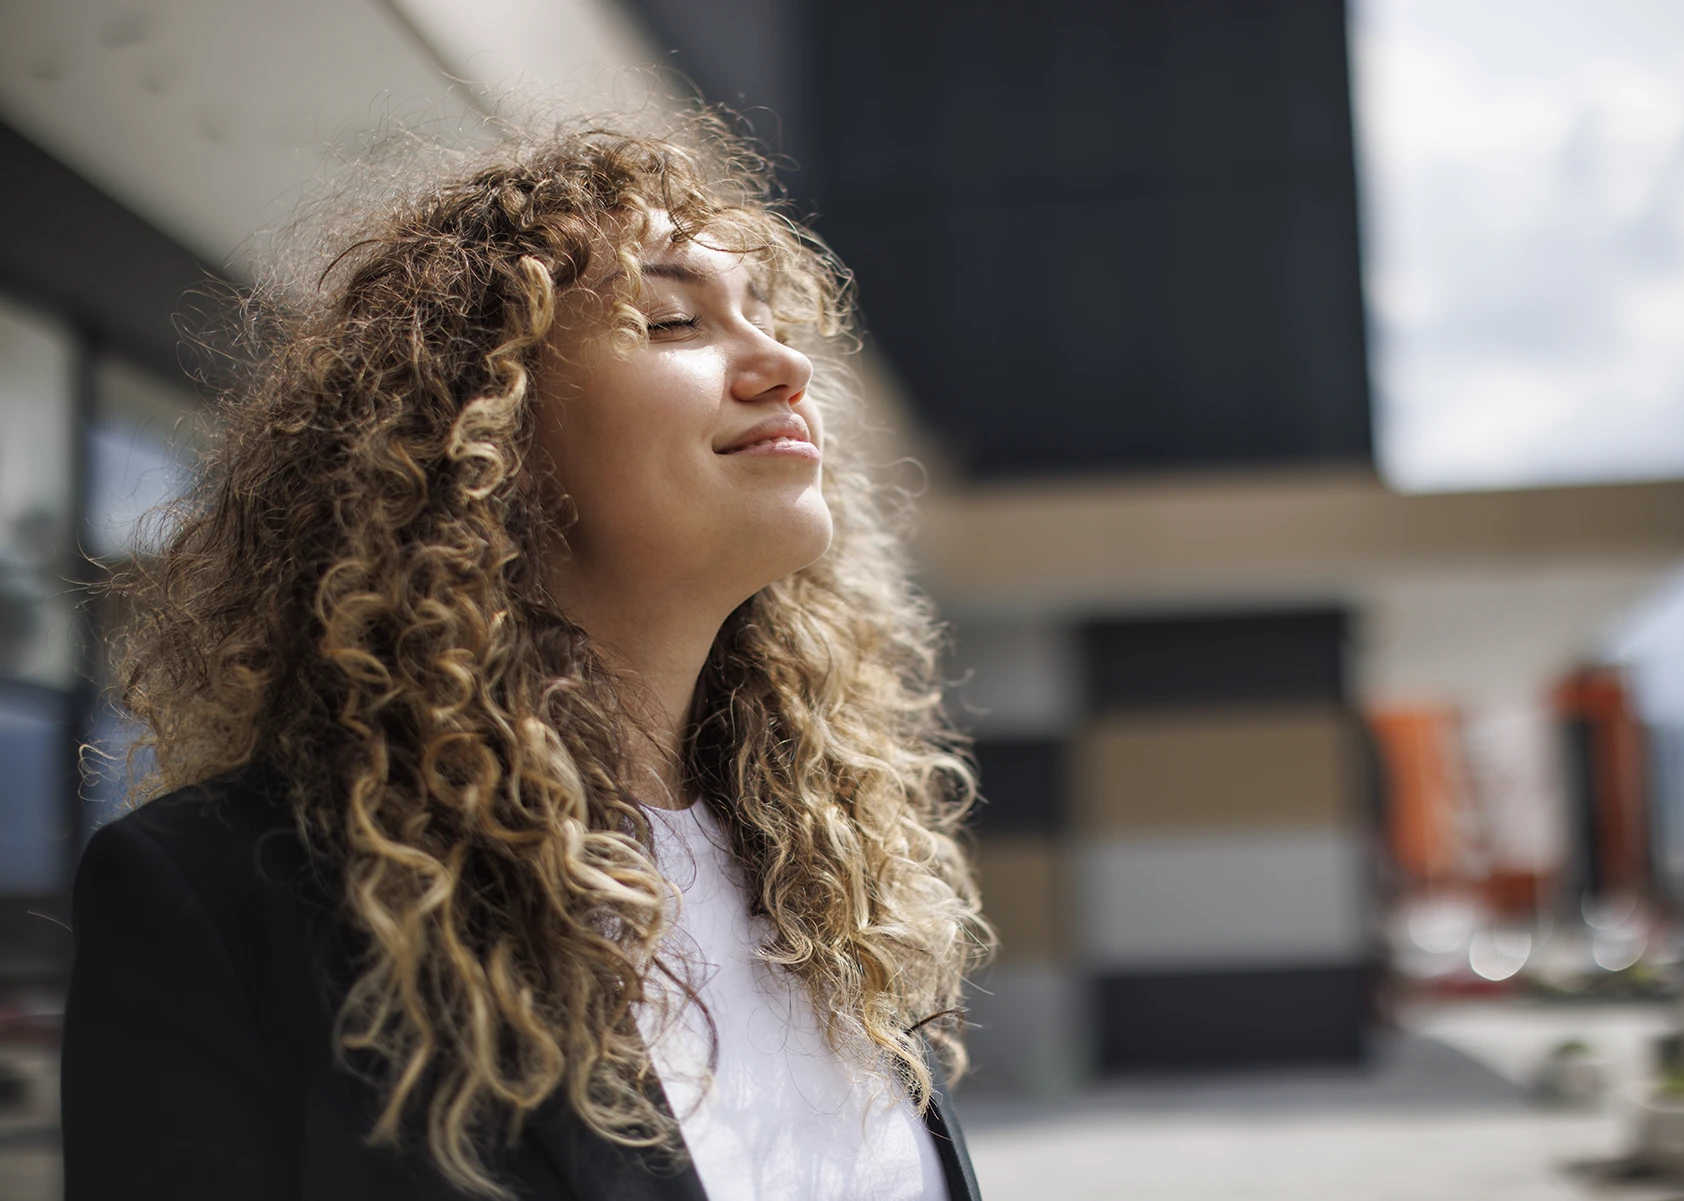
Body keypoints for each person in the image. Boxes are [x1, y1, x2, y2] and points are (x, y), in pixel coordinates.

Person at [61, 114, 990, 1201]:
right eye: (675, 319)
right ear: (483, 427)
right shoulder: (230, 900)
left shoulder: (822, 888)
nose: (785, 364)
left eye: (775, 319)